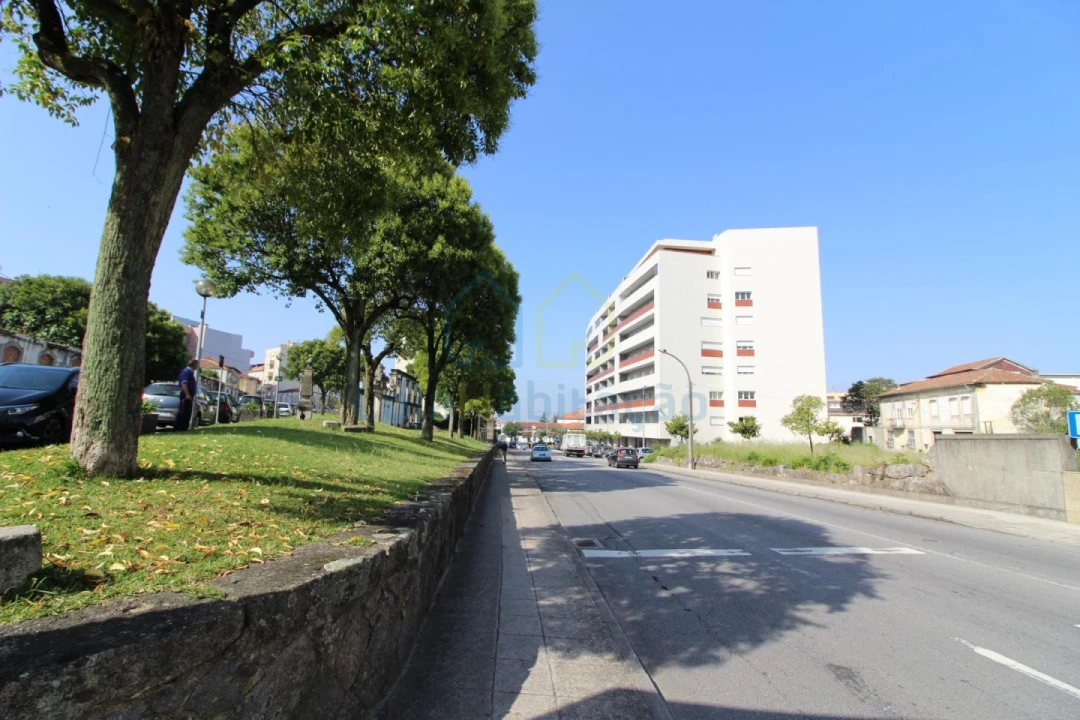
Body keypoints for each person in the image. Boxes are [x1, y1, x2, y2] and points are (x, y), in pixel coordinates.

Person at [175, 359, 199, 431]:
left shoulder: (190, 372)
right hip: (186, 395)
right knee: (183, 411)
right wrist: (187, 394)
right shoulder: (186, 372)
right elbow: (184, 383)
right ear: (194, 365)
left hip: (189, 395)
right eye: (197, 364)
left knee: (187, 412)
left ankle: (184, 427)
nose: (198, 366)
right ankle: (179, 428)